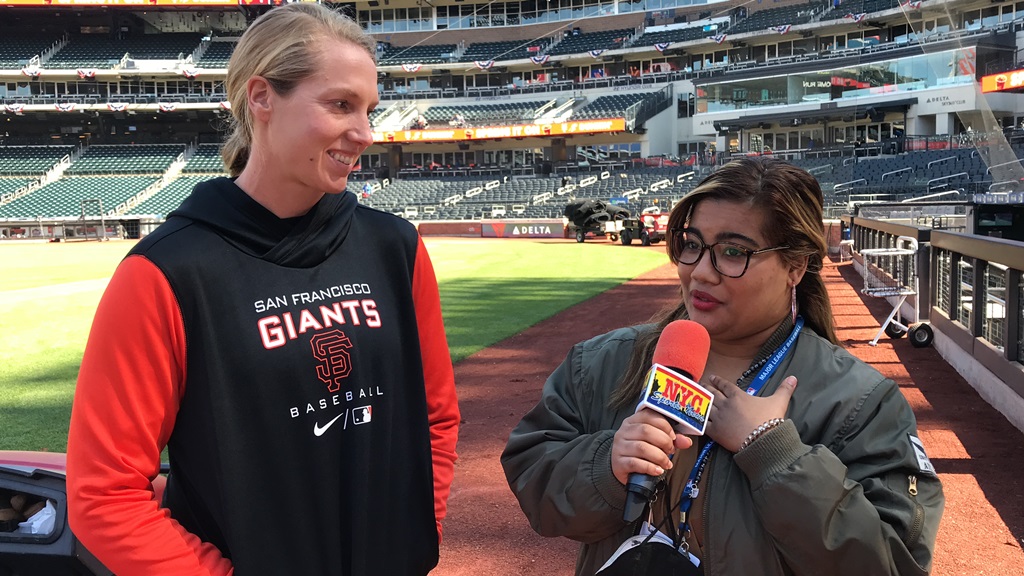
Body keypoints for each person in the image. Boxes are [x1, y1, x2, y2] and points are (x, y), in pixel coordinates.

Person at [66, 4, 460, 575]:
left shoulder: (394, 247)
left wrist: (413, 535)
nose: (365, 133)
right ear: (261, 97)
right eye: (341, 104)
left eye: (370, 109)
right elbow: (103, 493)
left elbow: (435, 419)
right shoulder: (166, 273)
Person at [501, 157, 943, 576]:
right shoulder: (602, 361)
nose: (700, 272)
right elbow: (534, 477)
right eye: (691, 245)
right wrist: (606, 464)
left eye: (733, 252)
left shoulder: (861, 402)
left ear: (796, 265)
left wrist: (776, 455)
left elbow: (891, 562)